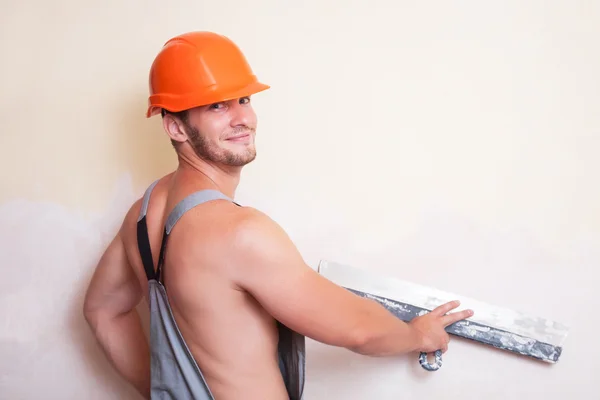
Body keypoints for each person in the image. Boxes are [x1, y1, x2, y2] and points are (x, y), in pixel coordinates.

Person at [82, 31, 474, 400]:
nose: (242, 119)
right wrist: (418, 335)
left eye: (244, 100)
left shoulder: (143, 213)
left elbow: (102, 310)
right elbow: (357, 330)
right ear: (175, 127)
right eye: (216, 105)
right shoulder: (240, 232)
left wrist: (165, 389)